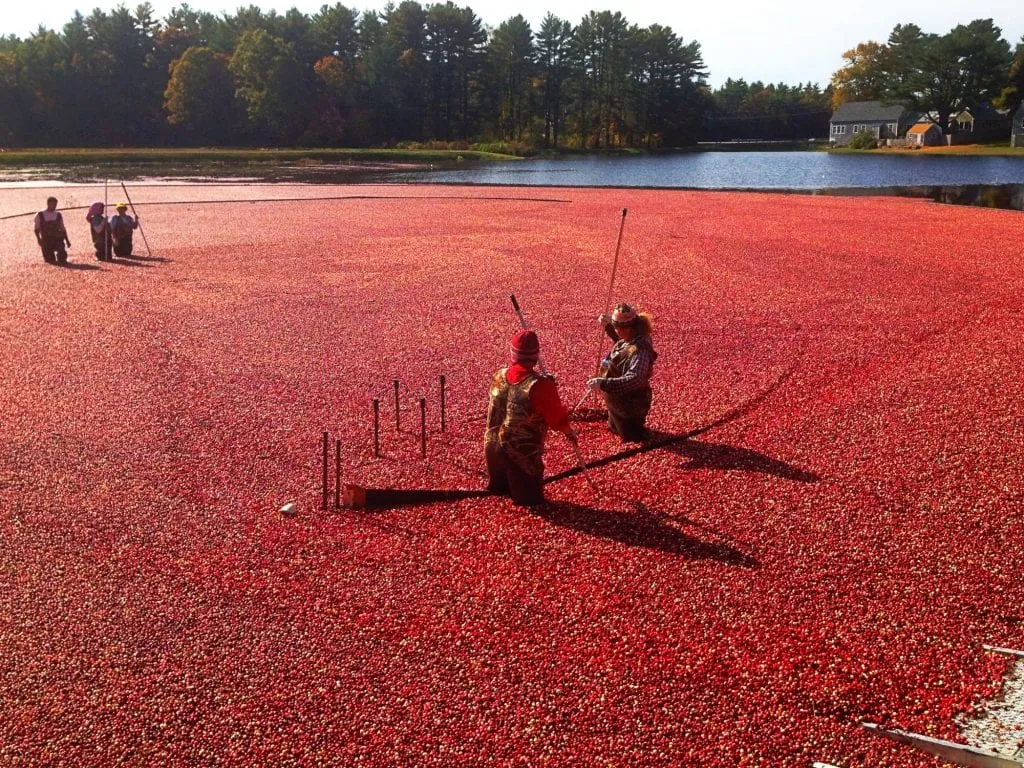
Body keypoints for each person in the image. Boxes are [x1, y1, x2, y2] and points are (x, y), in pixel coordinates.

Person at [485, 330, 578, 507]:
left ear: (512, 354)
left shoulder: (499, 375)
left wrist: (546, 384)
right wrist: (570, 433)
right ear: (535, 356)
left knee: (500, 493)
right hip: (520, 456)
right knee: (531, 502)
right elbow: (557, 419)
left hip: (492, 448)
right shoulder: (540, 385)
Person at [587, 303, 657, 441]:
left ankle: (639, 432)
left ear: (628, 327)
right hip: (617, 399)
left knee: (631, 435)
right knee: (614, 426)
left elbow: (635, 379)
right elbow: (623, 342)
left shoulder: (640, 349)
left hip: (630, 404)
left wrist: (603, 383)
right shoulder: (631, 337)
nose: (616, 330)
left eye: (617, 327)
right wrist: (608, 327)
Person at [34, 197, 71, 264]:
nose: (54, 206)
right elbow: (36, 229)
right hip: (46, 240)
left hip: (57, 239)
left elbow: (62, 228)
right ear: (48, 204)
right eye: (53, 204)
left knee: (62, 258)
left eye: (55, 204)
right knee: (50, 261)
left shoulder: (58, 215)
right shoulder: (40, 215)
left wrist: (67, 240)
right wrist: (38, 239)